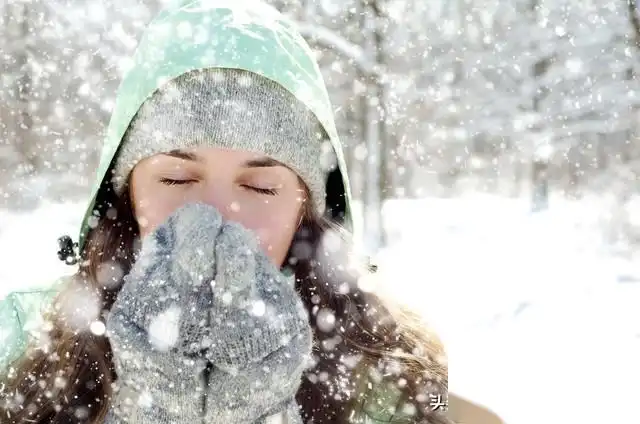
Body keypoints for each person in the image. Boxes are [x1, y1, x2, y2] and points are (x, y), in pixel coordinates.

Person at [0, 1, 451, 423]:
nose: (216, 214)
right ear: (126, 197)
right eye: (177, 178)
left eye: (259, 186)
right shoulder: (22, 341)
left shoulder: (403, 369)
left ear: (305, 212)